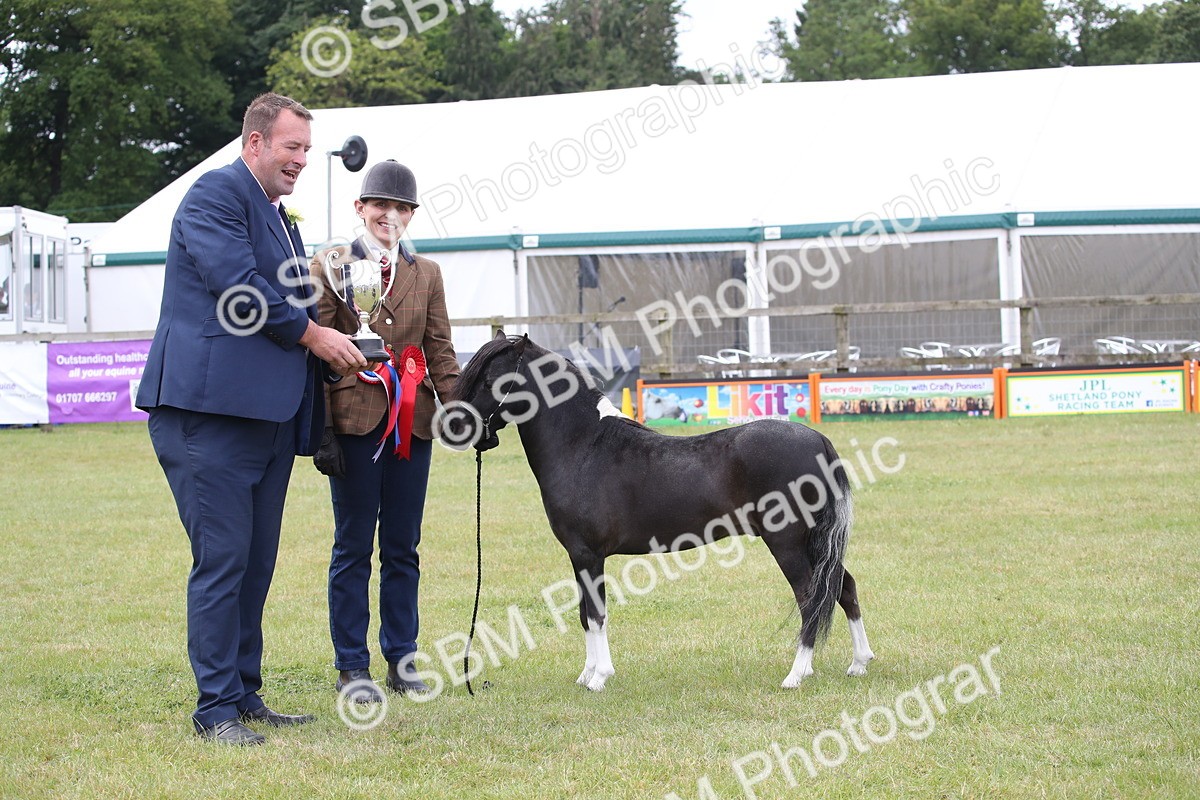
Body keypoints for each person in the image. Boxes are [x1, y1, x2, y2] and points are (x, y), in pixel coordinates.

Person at [137, 92, 369, 745]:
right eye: (291, 146)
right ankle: (214, 710)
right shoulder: (215, 194)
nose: (300, 159)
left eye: (306, 149)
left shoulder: (278, 216)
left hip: (266, 417)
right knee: (224, 558)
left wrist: (342, 333)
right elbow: (239, 288)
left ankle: (243, 692)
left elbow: (292, 296)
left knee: (255, 562)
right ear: (255, 143)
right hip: (206, 414)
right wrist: (315, 339)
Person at [311, 159, 459, 703]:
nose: (390, 216)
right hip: (352, 422)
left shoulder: (428, 274)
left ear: (411, 216)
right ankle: (352, 665)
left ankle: (402, 657)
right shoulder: (330, 264)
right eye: (381, 207)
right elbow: (318, 349)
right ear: (361, 209)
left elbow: (439, 349)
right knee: (352, 546)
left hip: (411, 426)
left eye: (401, 209)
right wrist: (323, 430)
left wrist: (459, 408)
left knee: (403, 547)